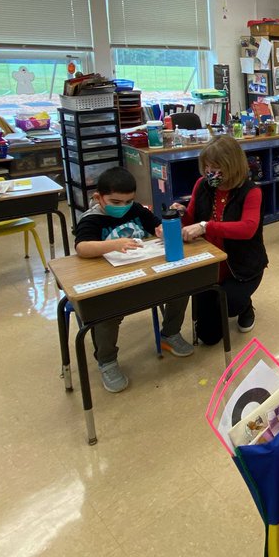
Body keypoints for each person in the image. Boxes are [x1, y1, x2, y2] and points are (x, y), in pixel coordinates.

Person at [74, 166, 193, 393]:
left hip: (142, 274)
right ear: (99, 197)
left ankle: (170, 333)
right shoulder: (92, 219)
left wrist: (159, 230)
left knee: (181, 286)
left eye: (128, 201)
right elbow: (82, 247)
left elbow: (155, 223)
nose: (123, 207)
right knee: (106, 314)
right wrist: (113, 245)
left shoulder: (136, 210)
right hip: (109, 283)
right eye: (116, 202)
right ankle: (107, 361)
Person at [178, 136, 268, 343]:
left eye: (216, 166)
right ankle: (231, 302)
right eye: (207, 166)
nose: (210, 171)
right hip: (210, 263)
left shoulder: (251, 191)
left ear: (232, 165)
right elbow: (191, 218)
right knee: (208, 338)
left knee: (230, 306)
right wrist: (181, 213)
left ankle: (245, 306)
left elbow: (248, 228)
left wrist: (206, 226)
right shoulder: (202, 184)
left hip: (241, 267)